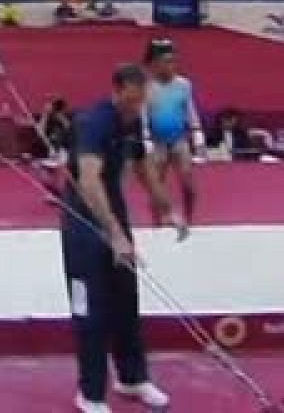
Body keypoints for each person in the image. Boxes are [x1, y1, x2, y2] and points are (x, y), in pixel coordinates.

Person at [60, 64, 173, 413]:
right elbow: (89, 181)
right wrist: (115, 235)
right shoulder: (93, 123)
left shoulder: (132, 120)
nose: (139, 107)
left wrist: (163, 205)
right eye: (135, 99)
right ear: (120, 89)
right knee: (91, 311)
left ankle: (132, 377)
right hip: (84, 224)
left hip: (115, 217)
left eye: (144, 101)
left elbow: (141, 164)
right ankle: (90, 393)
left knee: (126, 300)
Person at [142, 38, 202, 239]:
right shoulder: (147, 87)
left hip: (179, 140)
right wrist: (145, 137)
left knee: (188, 182)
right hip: (157, 142)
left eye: (174, 61)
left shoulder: (183, 84)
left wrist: (197, 131)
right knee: (156, 185)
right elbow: (142, 113)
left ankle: (189, 219)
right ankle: (157, 223)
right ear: (154, 64)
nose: (171, 66)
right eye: (166, 62)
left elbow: (189, 108)